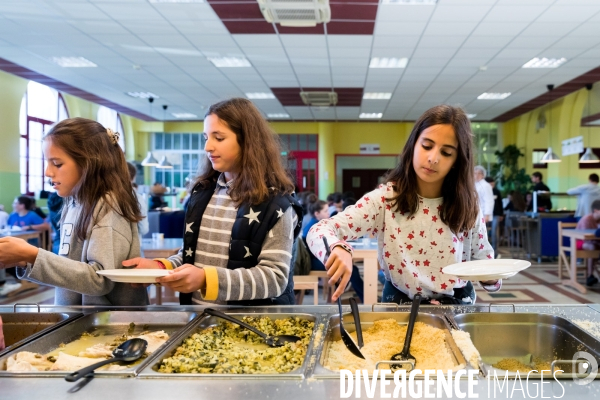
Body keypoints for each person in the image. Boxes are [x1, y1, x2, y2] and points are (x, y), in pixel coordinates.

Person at [307, 104, 499, 304]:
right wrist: (337, 247)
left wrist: (491, 276)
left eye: (446, 153)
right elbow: (319, 229)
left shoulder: (467, 204)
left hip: (456, 306)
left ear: (458, 161)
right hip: (401, 305)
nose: (433, 158)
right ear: (413, 145)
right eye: (427, 146)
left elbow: (483, 260)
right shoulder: (386, 200)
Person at [124, 98, 303, 306]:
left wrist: (204, 279)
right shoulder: (203, 194)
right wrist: (160, 268)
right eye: (205, 137)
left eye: (218, 138)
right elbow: (192, 258)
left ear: (247, 141)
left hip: (248, 327)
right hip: (198, 321)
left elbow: (274, 279)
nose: (208, 146)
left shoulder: (276, 204)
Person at [0, 118, 148, 306]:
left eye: (57, 164)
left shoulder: (109, 204)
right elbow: (69, 270)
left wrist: (32, 255)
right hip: (79, 321)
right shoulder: (73, 202)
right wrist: (24, 260)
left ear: (89, 163)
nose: (48, 172)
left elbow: (100, 280)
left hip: (110, 327)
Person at [302, 200, 364, 302]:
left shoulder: (314, 223)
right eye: (326, 211)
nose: (328, 213)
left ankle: (362, 296)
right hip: (314, 262)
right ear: (317, 213)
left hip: (316, 259)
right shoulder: (313, 227)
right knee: (352, 269)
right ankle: (364, 298)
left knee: (352, 268)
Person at [576, 199, 600, 286]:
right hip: (581, 241)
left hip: (594, 241)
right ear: (596, 211)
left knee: (593, 246)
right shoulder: (587, 219)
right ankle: (590, 275)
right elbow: (584, 236)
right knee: (591, 247)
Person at [127, 162, 149, 237]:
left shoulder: (106, 197)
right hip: (133, 244)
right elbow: (144, 229)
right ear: (133, 178)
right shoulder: (136, 198)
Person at [485, 176, 504, 254]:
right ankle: (485, 250)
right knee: (483, 231)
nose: (492, 186)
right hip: (486, 214)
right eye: (490, 184)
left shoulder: (496, 191)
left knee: (494, 232)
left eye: (493, 184)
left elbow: (500, 203)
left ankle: (495, 250)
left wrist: (501, 214)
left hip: (496, 214)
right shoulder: (483, 191)